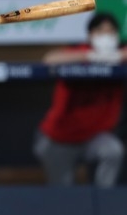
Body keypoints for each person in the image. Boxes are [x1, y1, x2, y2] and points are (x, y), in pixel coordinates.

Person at [33, 12, 127, 187]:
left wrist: (117, 56)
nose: (106, 36)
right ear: (90, 35)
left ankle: (103, 199)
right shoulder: (81, 52)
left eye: (111, 32)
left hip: (94, 138)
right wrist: (91, 57)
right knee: (63, 194)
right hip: (59, 138)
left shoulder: (119, 57)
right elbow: (49, 59)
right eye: (100, 31)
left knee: (113, 151)